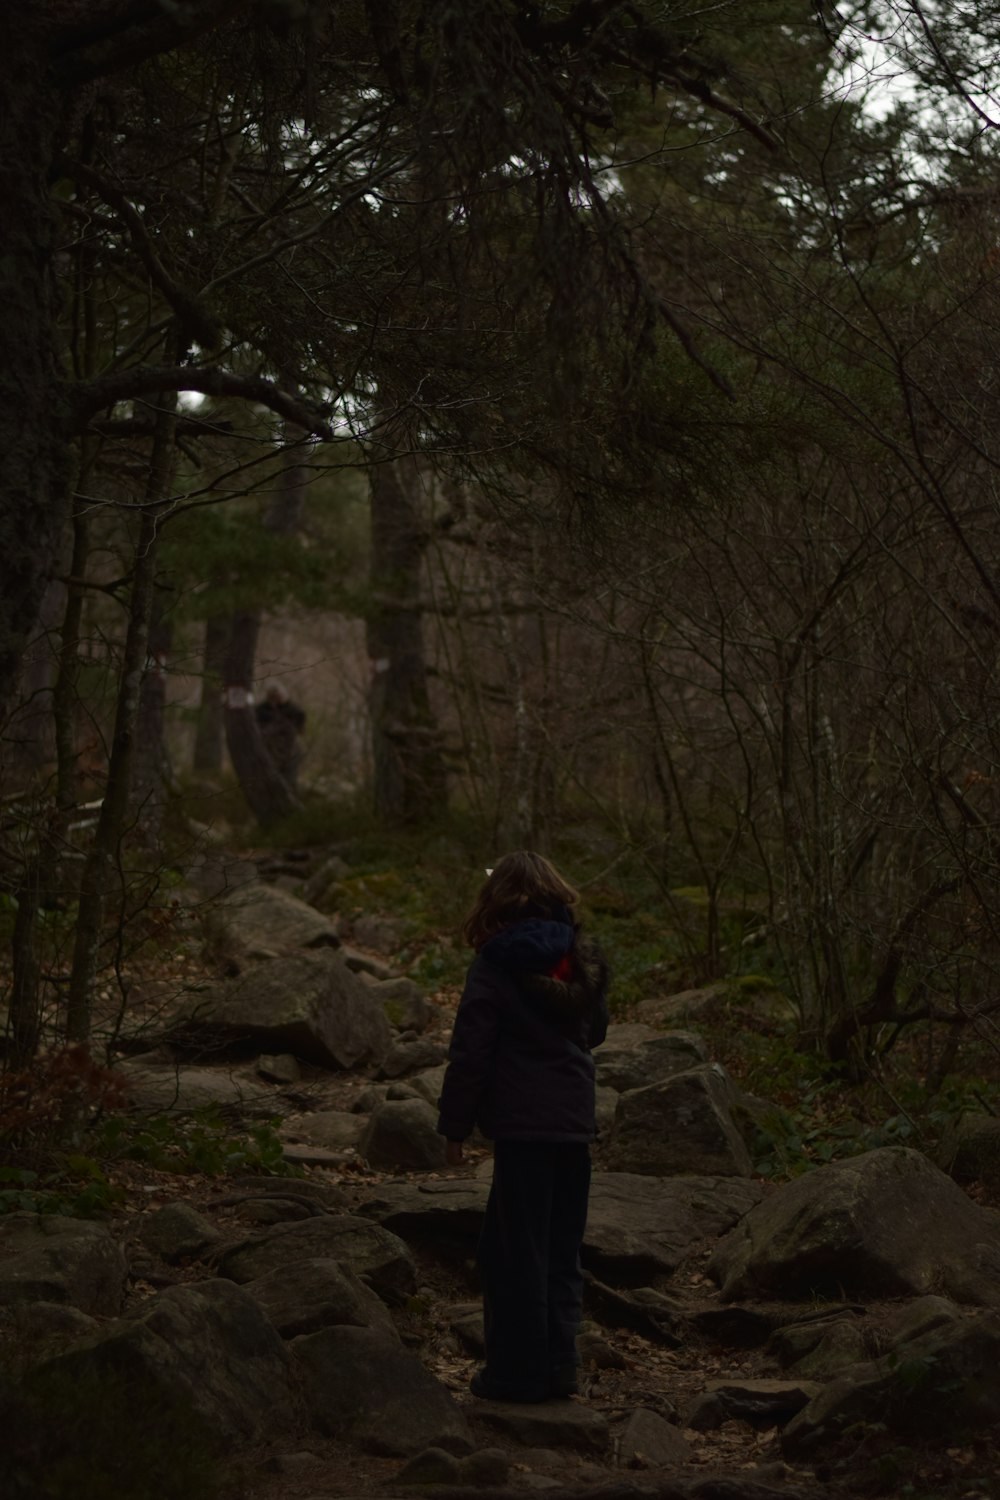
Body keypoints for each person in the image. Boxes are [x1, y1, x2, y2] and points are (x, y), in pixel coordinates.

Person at [437, 851, 609, 1402]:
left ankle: (515, 1375)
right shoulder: (579, 955)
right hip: (573, 1122)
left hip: (522, 1128)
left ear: (499, 901)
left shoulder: (494, 962)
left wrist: (454, 1127)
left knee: (511, 1253)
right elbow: (596, 1030)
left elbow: (472, 1051)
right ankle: (560, 1368)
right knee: (561, 1251)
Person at [254, 682, 306, 786]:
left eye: (279, 696)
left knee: (289, 778)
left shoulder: (294, 711)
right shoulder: (261, 711)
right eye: (274, 697)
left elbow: (300, 729)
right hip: (269, 750)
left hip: (289, 751)